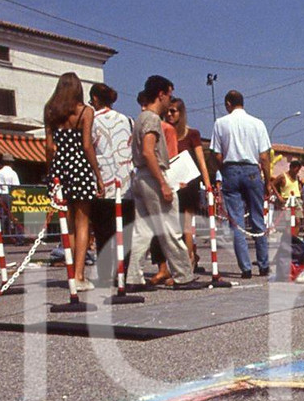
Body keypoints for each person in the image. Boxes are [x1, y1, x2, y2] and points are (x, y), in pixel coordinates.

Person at [124, 76, 206, 290]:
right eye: (169, 94)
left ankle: (133, 277)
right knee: (171, 227)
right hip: (154, 175)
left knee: (142, 229)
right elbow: (148, 152)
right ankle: (183, 275)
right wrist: (163, 183)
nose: (170, 100)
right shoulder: (152, 119)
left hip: (141, 177)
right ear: (160, 94)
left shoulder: (140, 118)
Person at [44, 71, 104, 291]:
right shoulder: (86, 112)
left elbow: (50, 147)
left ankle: (70, 271)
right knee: (83, 223)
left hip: (60, 167)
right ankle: (79, 275)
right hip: (80, 166)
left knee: (66, 223)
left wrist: (50, 171)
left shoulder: (50, 111)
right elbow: (87, 145)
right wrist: (97, 175)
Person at [210, 90, 273, 278]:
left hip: (230, 170)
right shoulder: (257, 124)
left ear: (228, 103)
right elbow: (264, 156)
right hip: (252, 170)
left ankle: (245, 268)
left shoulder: (220, 123)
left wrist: (224, 169)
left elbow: (217, 154)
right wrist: (268, 181)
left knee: (236, 222)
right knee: (257, 219)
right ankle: (263, 264)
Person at [88, 84, 134, 287]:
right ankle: (122, 272)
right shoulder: (128, 120)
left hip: (103, 181)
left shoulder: (92, 121)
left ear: (95, 99)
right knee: (125, 229)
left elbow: (88, 148)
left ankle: (106, 272)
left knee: (103, 230)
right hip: (126, 181)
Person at [165, 98, 213, 274]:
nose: (170, 115)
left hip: (189, 184)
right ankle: (189, 257)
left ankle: (189, 261)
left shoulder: (192, 134)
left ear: (181, 113)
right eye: (168, 111)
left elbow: (201, 160)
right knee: (173, 226)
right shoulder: (164, 133)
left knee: (186, 225)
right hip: (172, 183)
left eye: (173, 111)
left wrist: (207, 183)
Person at [0, 152, 22, 241]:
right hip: (10, 195)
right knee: (14, 216)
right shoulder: (13, 173)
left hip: (0, 196)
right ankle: (18, 237)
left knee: (0, 216)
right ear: (11, 163)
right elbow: (17, 186)